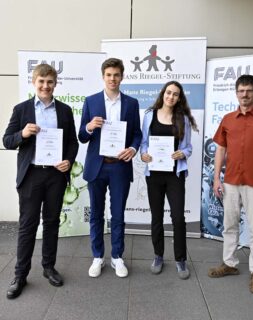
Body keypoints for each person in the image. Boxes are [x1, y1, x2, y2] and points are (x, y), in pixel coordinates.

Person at [3, 63, 79, 299]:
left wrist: (68, 160)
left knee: (52, 222)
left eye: (50, 82)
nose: (46, 86)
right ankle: (20, 275)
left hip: (55, 175)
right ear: (34, 83)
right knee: (27, 225)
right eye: (41, 82)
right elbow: (7, 140)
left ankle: (48, 267)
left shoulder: (65, 111)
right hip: (32, 175)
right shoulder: (22, 110)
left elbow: (72, 142)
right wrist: (23, 134)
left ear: (55, 84)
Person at [208, 75, 253, 294]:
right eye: (241, 90)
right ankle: (229, 264)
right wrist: (215, 178)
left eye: (249, 90)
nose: (245, 94)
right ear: (236, 92)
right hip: (230, 181)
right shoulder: (228, 118)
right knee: (229, 225)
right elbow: (220, 148)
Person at [78, 58, 142, 278]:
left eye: (116, 75)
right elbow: (81, 136)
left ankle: (117, 257)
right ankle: (98, 256)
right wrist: (89, 126)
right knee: (96, 214)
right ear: (103, 76)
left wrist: (133, 149)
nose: (112, 79)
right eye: (109, 75)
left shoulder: (132, 103)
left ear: (122, 76)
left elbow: (137, 133)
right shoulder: (91, 101)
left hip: (120, 167)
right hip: (97, 166)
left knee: (118, 214)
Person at [140, 81, 198, 279]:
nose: (171, 97)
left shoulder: (183, 119)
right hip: (154, 175)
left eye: (175, 94)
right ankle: (158, 256)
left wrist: (182, 153)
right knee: (156, 217)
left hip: (175, 175)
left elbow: (189, 147)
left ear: (179, 98)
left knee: (178, 218)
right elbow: (144, 143)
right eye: (168, 92)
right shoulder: (149, 115)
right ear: (163, 94)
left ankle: (180, 260)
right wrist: (144, 155)